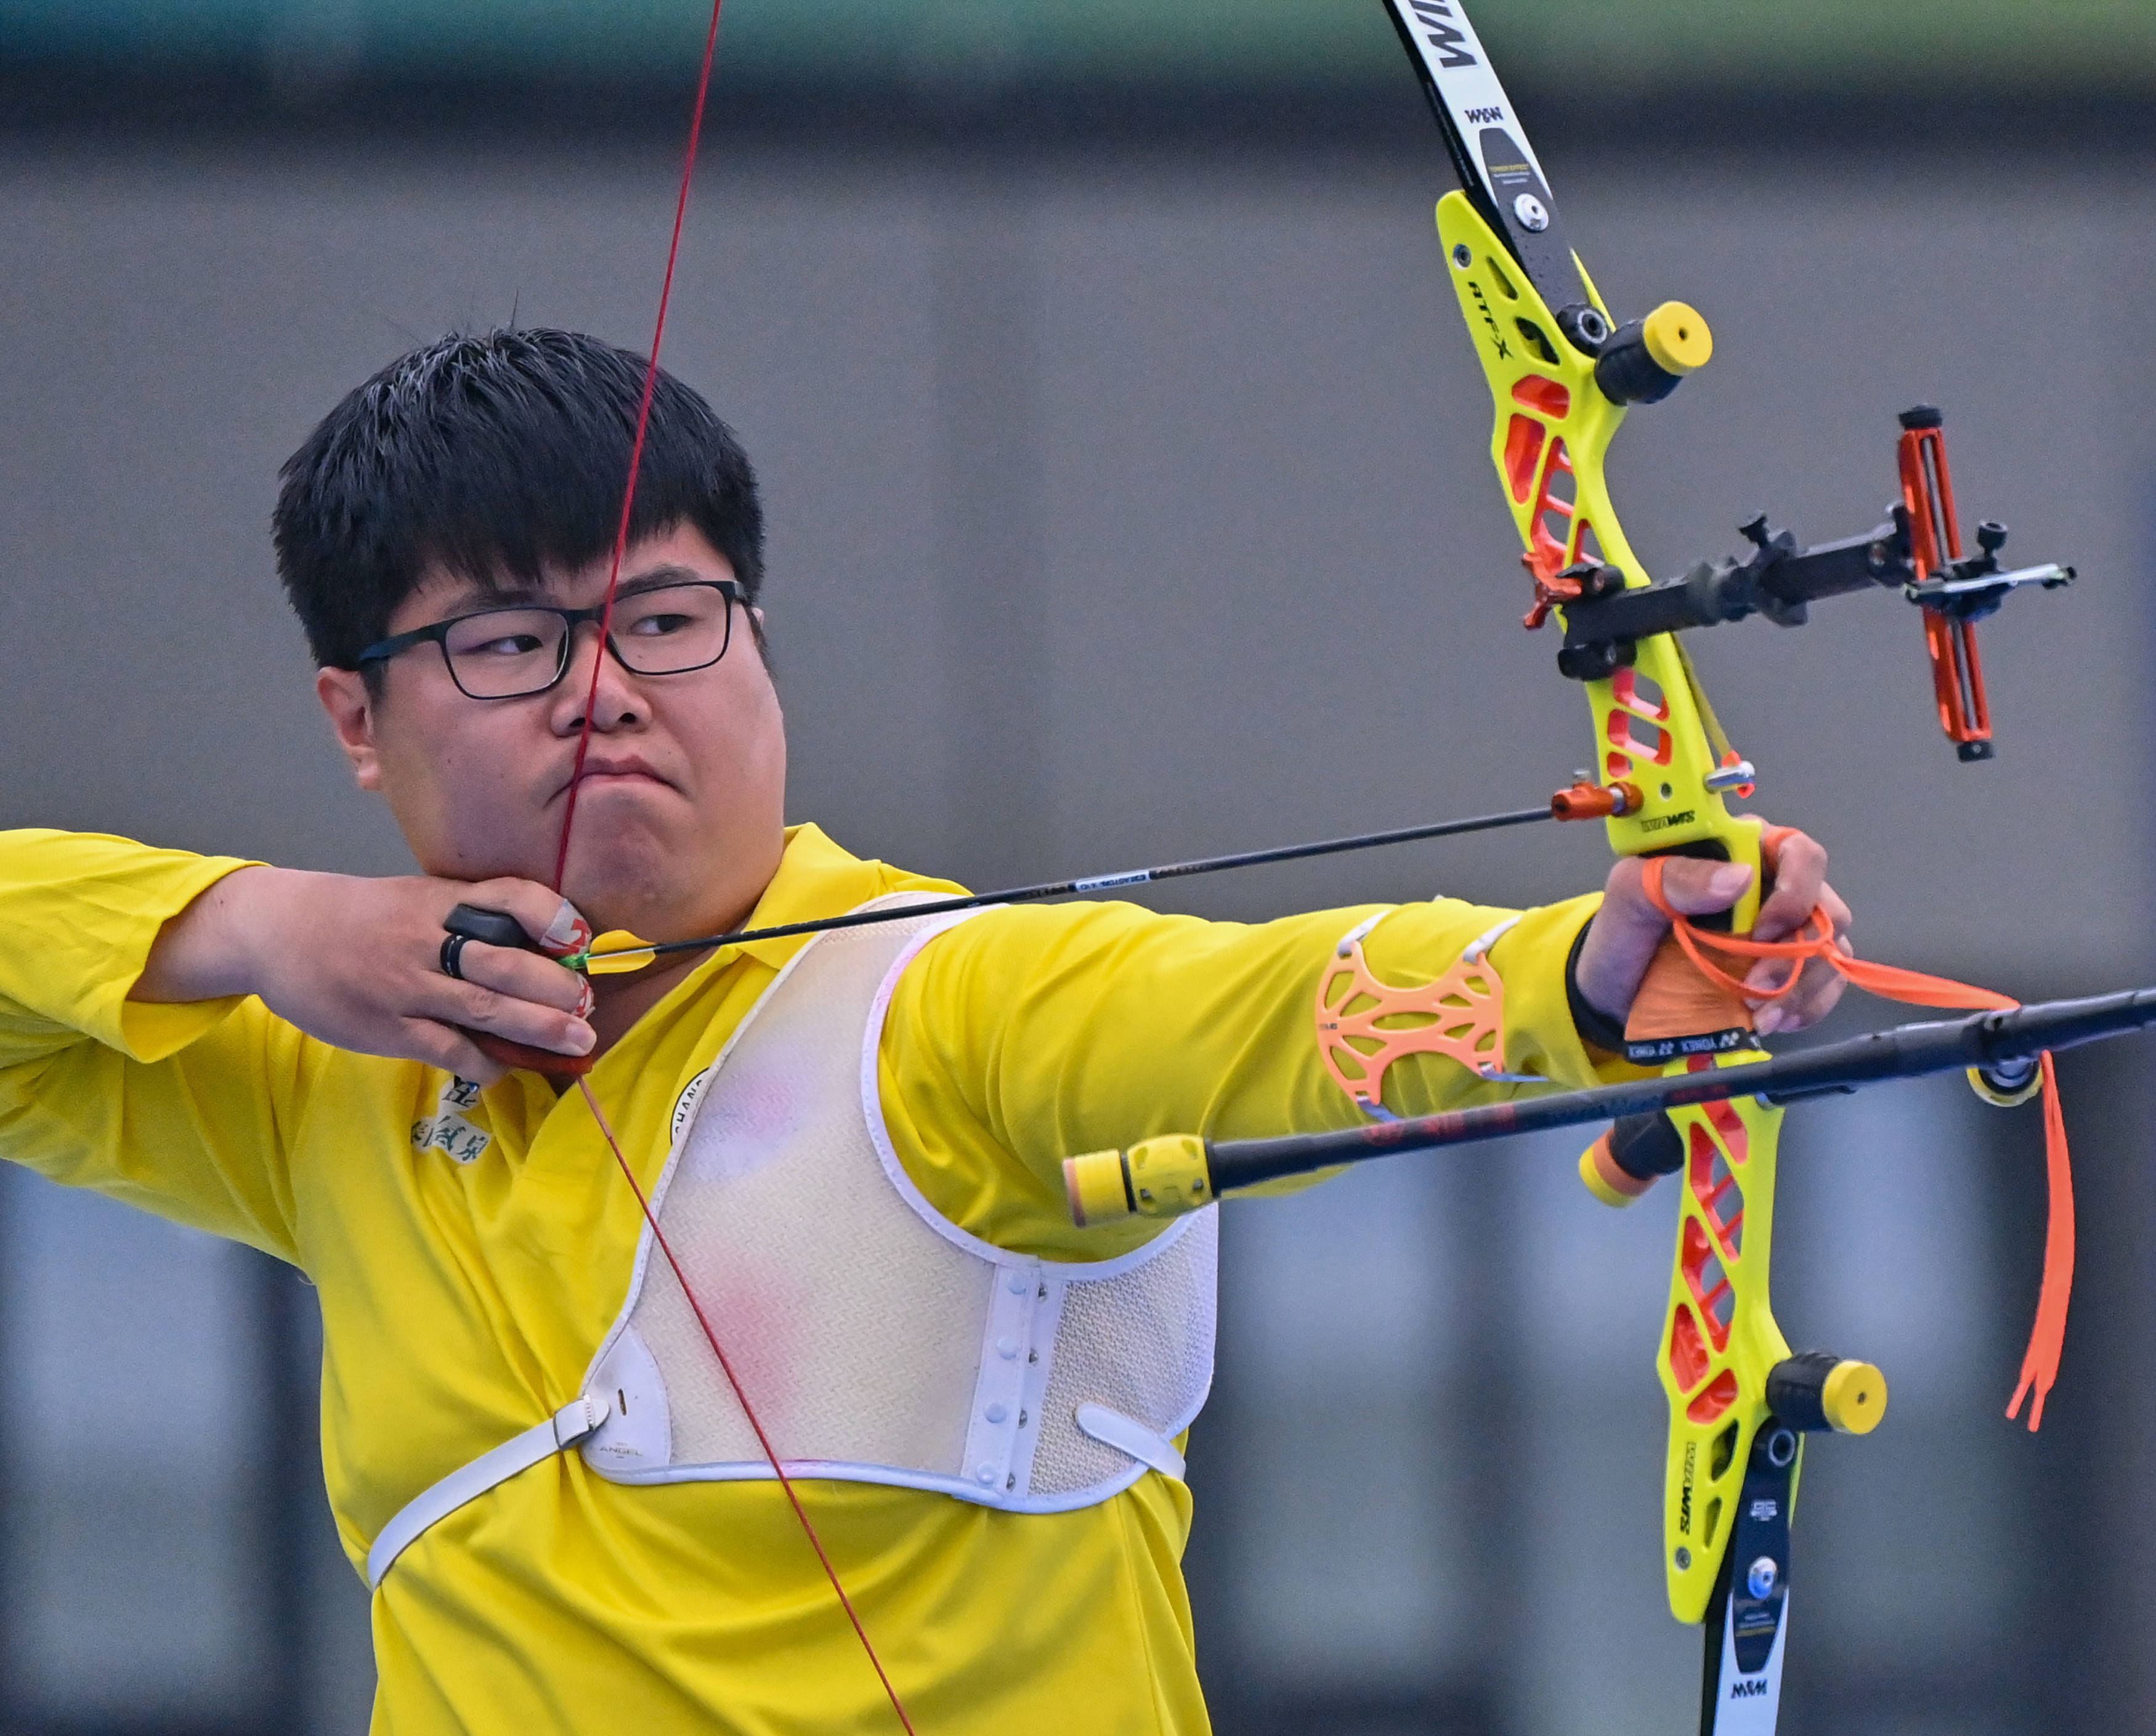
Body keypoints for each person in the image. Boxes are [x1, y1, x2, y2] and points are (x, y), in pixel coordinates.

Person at [0, 328, 1850, 1734]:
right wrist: (249, 923)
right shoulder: (331, 1076)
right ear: (356, 712)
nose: (607, 696)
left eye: (665, 613)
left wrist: (1599, 973)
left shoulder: (942, 1006)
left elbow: (1262, 1007)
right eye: (507, 642)